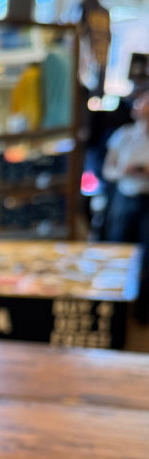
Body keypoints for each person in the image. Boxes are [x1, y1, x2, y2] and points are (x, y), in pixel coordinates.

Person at [102, 92, 149, 323]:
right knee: (118, 249)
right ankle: (114, 311)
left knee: (147, 257)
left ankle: (142, 311)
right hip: (125, 196)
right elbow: (107, 171)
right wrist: (124, 171)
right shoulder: (124, 135)